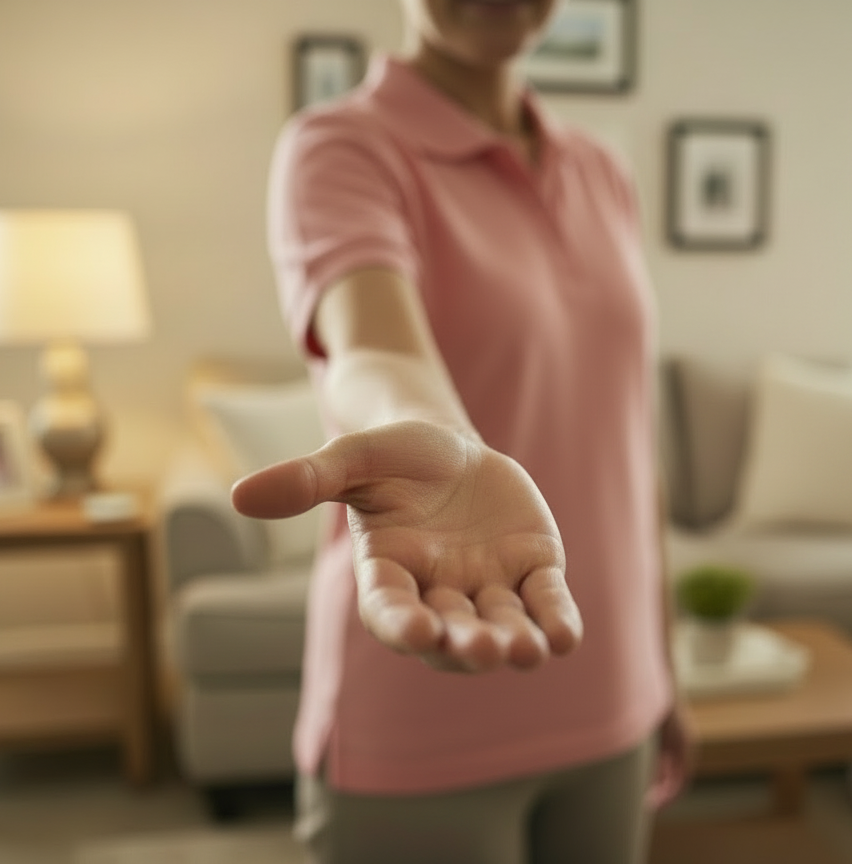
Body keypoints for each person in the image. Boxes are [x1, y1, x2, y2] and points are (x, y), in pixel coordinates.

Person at [231, 1, 693, 861]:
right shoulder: (343, 147)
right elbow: (373, 342)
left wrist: (663, 669)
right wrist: (437, 437)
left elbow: (630, 446)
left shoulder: (602, 169)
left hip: (609, 692)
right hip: (423, 709)